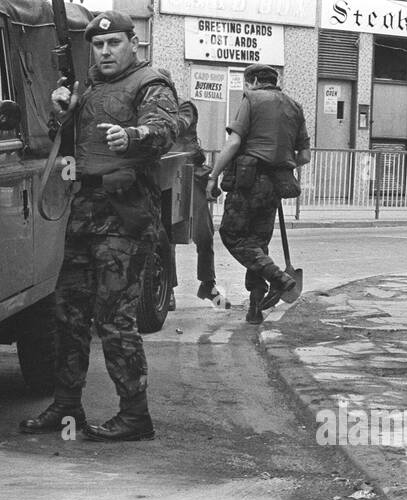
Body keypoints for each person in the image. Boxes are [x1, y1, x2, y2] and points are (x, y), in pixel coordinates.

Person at [19, 12, 183, 442]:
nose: (106, 51)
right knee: (68, 314)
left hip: (125, 215)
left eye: (114, 42)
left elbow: (167, 128)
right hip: (86, 208)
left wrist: (133, 136)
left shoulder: (151, 83)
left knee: (114, 320)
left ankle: (134, 416)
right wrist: (64, 113)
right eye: (98, 44)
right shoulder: (89, 87)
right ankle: (66, 404)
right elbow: (67, 140)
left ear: (133, 43)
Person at [208, 63, 311, 325]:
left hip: (248, 183)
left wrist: (213, 175)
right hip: (275, 186)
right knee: (257, 243)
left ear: (252, 81)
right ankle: (255, 309)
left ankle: (278, 278)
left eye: (246, 84)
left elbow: (234, 142)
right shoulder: (295, 107)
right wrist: (278, 165)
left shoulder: (251, 99)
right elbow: (304, 156)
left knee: (232, 235)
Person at [176, 99, 231, 310]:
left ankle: (208, 284)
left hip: (190, 174)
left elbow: (180, 124)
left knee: (204, 233)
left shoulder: (184, 106)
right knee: (167, 235)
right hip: (165, 173)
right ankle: (167, 291)